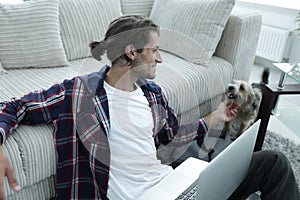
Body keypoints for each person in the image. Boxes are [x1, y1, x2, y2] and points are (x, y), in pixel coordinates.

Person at [0, 15, 299, 200]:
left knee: (273, 163)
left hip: (171, 185)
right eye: (155, 50)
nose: (160, 59)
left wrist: (218, 115)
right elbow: (13, 107)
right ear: (131, 52)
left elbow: (176, 139)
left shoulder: (152, 94)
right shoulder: (78, 93)